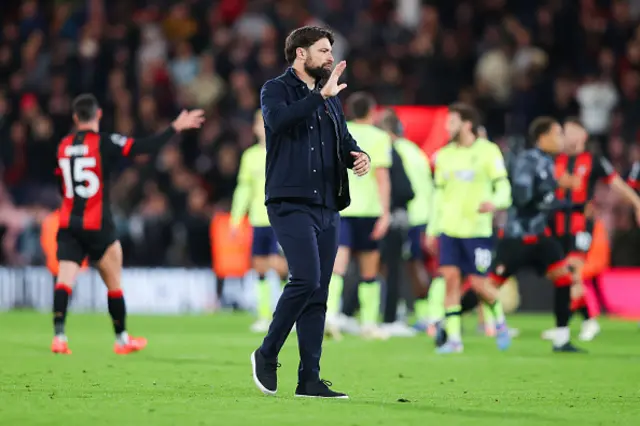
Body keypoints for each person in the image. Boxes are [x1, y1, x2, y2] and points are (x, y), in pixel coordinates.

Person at [250, 26, 370, 399]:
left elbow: (343, 139)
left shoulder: (331, 96)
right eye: (323, 50)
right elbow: (278, 122)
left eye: (331, 50)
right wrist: (320, 96)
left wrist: (358, 155)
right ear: (300, 54)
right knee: (304, 279)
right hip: (290, 201)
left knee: (319, 291)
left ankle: (310, 379)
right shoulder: (276, 89)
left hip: (327, 204)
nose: (330, 57)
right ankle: (267, 353)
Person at [52, 94, 204, 355]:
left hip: (69, 223)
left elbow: (60, 184)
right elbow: (142, 147)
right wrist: (174, 128)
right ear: (98, 115)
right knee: (114, 281)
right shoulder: (104, 142)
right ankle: (121, 339)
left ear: (76, 118)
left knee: (65, 279)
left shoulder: (63, 146)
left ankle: (59, 336)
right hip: (98, 224)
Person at [487, 116, 583, 353]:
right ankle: (448, 321)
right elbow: (522, 198)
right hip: (518, 237)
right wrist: (557, 197)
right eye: (558, 133)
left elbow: (545, 199)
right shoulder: (527, 161)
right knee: (487, 288)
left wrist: (571, 205)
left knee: (564, 278)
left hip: (539, 236)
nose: (561, 139)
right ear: (543, 137)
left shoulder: (548, 162)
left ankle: (561, 338)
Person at [425, 103, 512, 354]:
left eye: (451, 122)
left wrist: (495, 203)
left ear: (467, 124)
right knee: (450, 281)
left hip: (477, 230)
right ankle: (454, 340)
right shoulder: (445, 155)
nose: (447, 127)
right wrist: (433, 228)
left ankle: (499, 320)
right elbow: (438, 196)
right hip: (450, 230)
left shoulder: (488, 151)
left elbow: (503, 187)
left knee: (478, 285)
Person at [546, 117, 640, 342]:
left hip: (581, 225)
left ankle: (581, 322)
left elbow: (617, 184)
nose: (565, 135)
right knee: (562, 275)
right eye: (563, 131)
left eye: (570, 131)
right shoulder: (553, 160)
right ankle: (575, 321)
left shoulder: (593, 160)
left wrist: (637, 203)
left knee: (573, 272)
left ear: (582, 136)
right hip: (557, 224)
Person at [325, 92, 391, 340]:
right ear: (372, 111)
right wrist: (385, 214)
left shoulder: (338, 132)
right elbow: (382, 178)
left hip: (342, 207)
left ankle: (329, 317)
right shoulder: (380, 137)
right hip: (370, 210)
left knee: (337, 266)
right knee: (369, 269)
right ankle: (369, 324)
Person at [230, 110, 289, 333]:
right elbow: (243, 190)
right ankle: (265, 315)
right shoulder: (249, 156)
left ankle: (289, 313)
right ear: (254, 128)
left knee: (282, 267)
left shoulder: (285, 152)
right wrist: (236, 219)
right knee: (260, 268)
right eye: (259, 123)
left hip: (281, 219)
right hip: (258, 219)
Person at [377, 109, 433, 333]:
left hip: (409, 215)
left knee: (407, 265)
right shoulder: (415, 151)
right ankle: (418, 312)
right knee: (405, 265)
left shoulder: (394, 152)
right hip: (423, 215)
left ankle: (422, 314)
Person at [542, 217, 610, 342]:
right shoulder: (561, 220)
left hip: (583, 259)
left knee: (572, 284)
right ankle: (587, 321)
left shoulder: (586, 223)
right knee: (568, 283)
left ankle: (564, 327)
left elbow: (580, 256)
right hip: (569, 251)